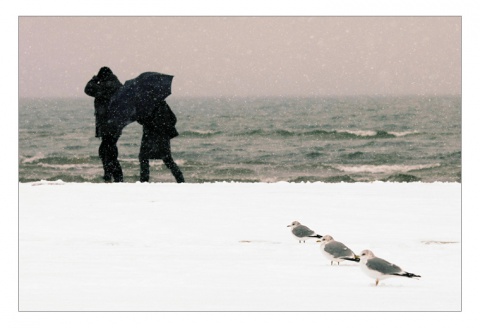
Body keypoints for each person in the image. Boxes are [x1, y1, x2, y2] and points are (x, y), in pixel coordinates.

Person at [84, 67, 124, 182]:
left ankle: (112, 176)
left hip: (107, 124)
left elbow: (88, 89)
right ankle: (114, 176)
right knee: (109, 150)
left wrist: (94, 79)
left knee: (106, 151)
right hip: (115, 124)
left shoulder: (105, 86)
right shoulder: (118, 86)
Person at [137, 100, 184, 183]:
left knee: (143, 158)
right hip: (163, 138)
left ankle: (144, 181)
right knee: (167, 159)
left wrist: (138, 115)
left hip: (149, 137)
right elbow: (173, 119)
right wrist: (165, 127)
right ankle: (180, 179)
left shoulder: (146, 105)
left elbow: (142, 120)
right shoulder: (163, 104)